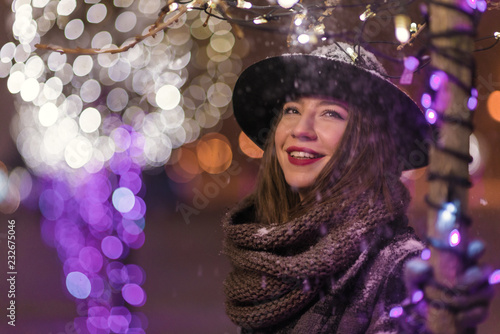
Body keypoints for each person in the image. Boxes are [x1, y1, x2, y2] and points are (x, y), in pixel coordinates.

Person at [221, 42, 489, 333]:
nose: (301, 129)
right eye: (292, 109)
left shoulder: (401, 270)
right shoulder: (264, 260)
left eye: (330, 113)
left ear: (368, 141)